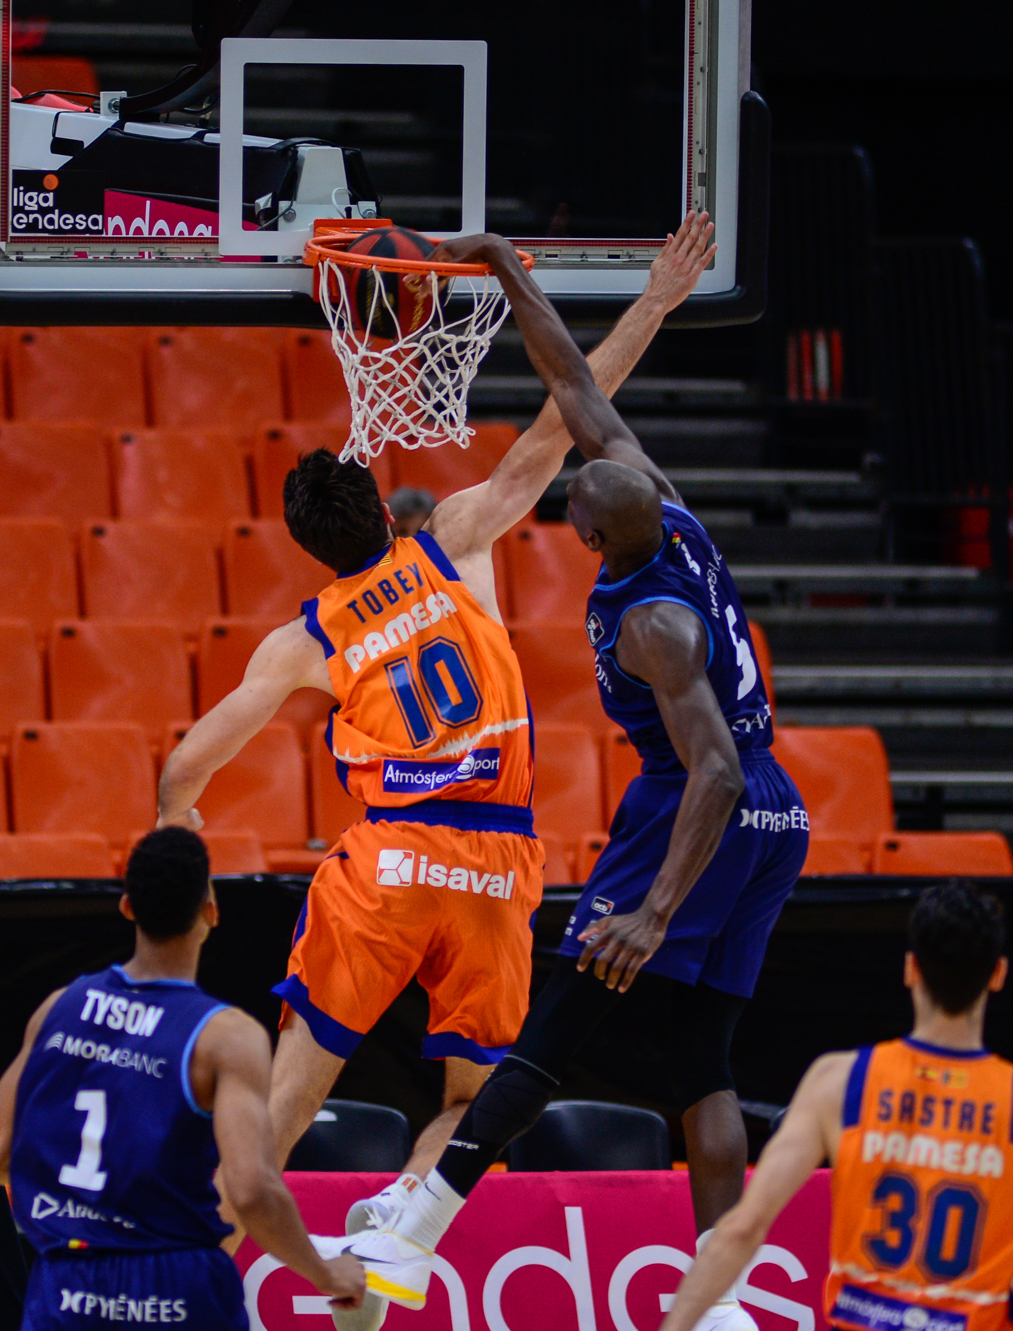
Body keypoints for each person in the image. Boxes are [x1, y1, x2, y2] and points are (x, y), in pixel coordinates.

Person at [154, 213, 721, 1218]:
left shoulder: (303, 638)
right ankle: (400, 1228)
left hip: (387, 864)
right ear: (386, 513)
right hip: (495, 867)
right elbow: (570, 413)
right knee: (469, 1112)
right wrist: (655, 300)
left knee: (283, 1110)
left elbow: (190, 759)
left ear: (312, 551)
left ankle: (201, 1268)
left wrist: (176, 815)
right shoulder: (452, 540)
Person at [329, 228, 808, 1324]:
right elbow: (574, 387)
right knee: (703, 1059)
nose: (568, 504)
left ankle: (413, 1234)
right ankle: (722, 1299)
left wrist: (653, 912)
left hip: (702, 802)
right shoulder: (663, 510)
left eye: (572, 508)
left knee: (554, 1028)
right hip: (778, 810)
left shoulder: (651, 623)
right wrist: (504, 266)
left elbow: (714, 772)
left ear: (590, 532)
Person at [0, 827, 366, 1330]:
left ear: (127, 907)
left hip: (67, 1284)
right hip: (176, 1283)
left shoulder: (59, 1008)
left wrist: (93, 1203)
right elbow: (251, 1190)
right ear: (212, 911)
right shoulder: (226, 1036)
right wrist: (325, 1273)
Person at [660, 884, 1013, 1331]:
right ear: (998, 974)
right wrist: (981, 1313)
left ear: (911, 969)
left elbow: (742, 1230)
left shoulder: (841, 1081)